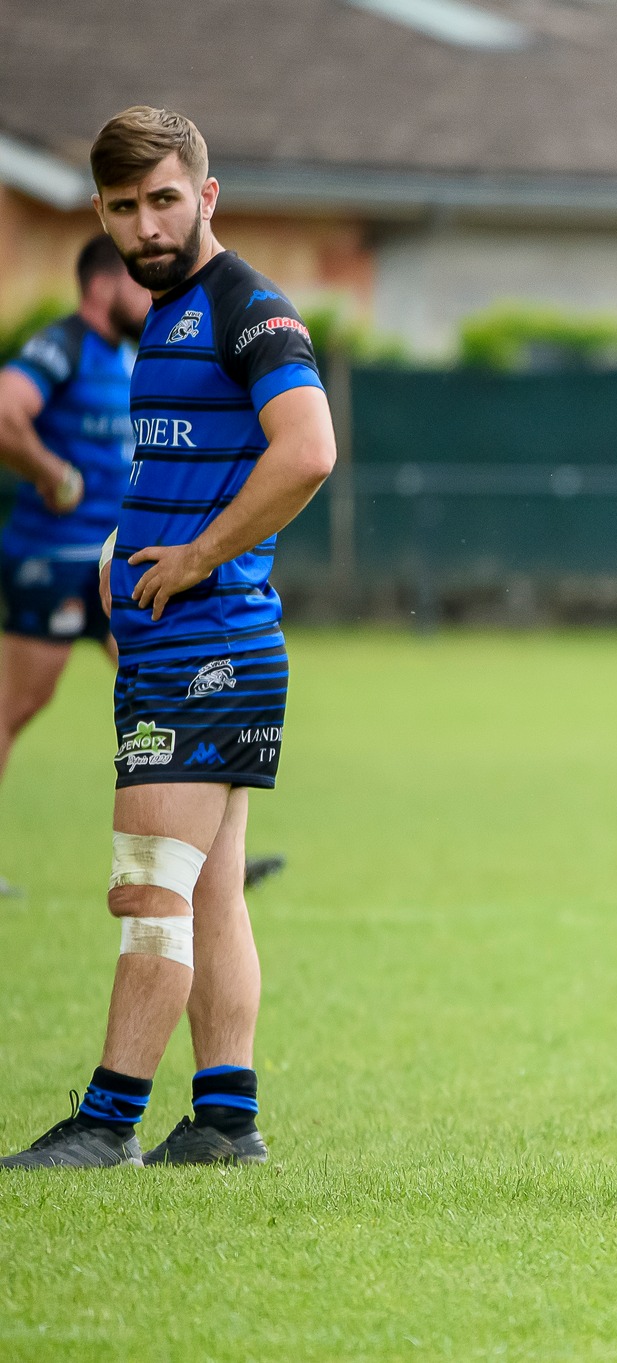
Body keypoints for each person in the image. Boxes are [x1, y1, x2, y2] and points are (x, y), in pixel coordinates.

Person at [1, 107, 335, 1170]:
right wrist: (126, 547)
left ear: (207, 196)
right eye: (123, 206)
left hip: (206, 646)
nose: (146, 224)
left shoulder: (247, 308)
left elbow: (308, 451)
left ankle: (107, 1124)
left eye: (163, 199)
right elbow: (190, 470)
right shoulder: (168, 313)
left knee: (149, 886)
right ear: (101, 212)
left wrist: (191, 558)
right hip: (186, 644)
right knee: (206, 890)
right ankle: (226, 1118)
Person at [0, 238, 150, 894]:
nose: (150, 293)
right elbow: (5, 411)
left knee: (167, 690)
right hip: (53, 562)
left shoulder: (123, 357)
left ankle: (200, 861)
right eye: (138, 280)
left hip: (110, 568)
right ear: (103, 283)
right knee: (17, 704)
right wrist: (52, 472)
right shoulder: (61, 344)